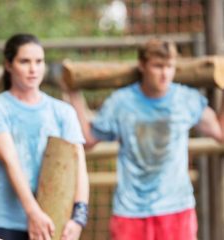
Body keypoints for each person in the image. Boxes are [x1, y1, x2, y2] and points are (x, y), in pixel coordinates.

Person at [66, 38, 224, 240]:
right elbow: (88, 140)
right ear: (142, 66)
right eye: (158, 66)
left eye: (170, 66)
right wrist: (74, 92)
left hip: (176, 207)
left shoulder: (186, 99)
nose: (165, 73)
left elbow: (220, 133)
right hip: (131, 210)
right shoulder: (121, 103)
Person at [0, 33, 90, 240]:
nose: (33, 68)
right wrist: (33, 213)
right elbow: (11, 161)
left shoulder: (63, 111)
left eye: (39, 61)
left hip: (55, 220)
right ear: (8, 65)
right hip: (6, 223)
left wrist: (78, 217)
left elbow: (78, 163)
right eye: (24, 61)